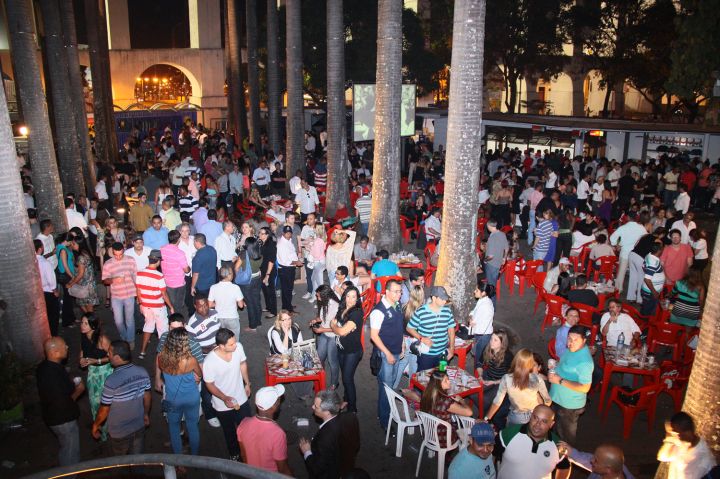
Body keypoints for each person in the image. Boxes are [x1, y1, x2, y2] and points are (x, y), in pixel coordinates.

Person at [92, 340, 152, 457]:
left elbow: (104, 409)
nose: (107, 355)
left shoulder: (112, 381)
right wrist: (145, 415)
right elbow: (147, 397)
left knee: (119, 463)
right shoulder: (143, 372)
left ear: (117, 357)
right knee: (137, 460)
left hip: (119, 432)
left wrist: (96, 425)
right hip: (138, 426)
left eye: (109, 353)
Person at [203, 328, 252, 461]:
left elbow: (242, 364)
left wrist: (247, 383)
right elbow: (209, 384)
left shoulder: (238, 347)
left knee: (247, 428)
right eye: (231, 344)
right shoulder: (209, 362)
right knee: (229, 431)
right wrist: (224, 398)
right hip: (222, 405)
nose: (235, 345)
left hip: (241, 398)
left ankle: (249, 452)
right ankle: (234, 454)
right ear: (221, 346)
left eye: (234, 342)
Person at [37, 337, 84, 467]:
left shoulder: (44, 367)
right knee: (70, 451)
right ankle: (69, 474)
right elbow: (64, 401)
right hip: (63, 420)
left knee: (66, 446)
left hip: (51, 415)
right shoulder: (53, 376)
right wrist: (79, 390)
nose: (67, 347)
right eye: (64, 346)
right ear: (54, 352)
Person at [157, 328, 202, 456]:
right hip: (191, 397)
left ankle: (178, 460)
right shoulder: (190, 360)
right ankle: (195, 457)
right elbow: (199, 374)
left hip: (172, 399)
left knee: (174, 428)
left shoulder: (161, 357)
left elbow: (162, 372)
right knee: (193, 426)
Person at [495, 404, 570, 479]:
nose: (538, 424)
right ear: (530, 417)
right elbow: (491, 455)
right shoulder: (508, 434)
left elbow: (564, 467)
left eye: (544, 421)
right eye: (535, 418)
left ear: (551, 424)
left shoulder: (558, 445)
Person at [299, 390, 361, 478]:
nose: (312, 407)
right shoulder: (351, 417)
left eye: (316, 406)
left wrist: (307, 452)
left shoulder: (324, 438)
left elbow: (317, 469)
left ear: (327, 412)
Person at [548, 325, 593, 443]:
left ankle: (566, 455)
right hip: (558, 399)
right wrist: (555, 366)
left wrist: (559, 381)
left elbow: (585, 387)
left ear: (584, 340)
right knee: (554, 431)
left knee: (565, 439)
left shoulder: (585, 362)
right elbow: (565, 364)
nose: (570, 343)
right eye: (569, 339)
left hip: (568, 406)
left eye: (575, 340)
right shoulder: (572, 349)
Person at [370, 278, 405, 429]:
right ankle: (386, 422)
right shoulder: (379, 311)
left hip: (396, 351)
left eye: (400, 291)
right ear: (387, 292)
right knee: (387, 390)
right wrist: (388, 353)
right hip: (386, 355)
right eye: (396, 292)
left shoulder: (397, 305)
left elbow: (399, 327)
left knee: (387, 385)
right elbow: (374, 336)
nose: (399, 294)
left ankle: (383, 413)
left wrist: (402, 343)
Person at [485, 349, 552, 426]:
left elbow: (497, 402)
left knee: (511, 432)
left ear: (515, 361)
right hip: (535, 415)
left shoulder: (506, 378)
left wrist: (486, 418)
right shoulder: (538, 379)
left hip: (517, 417)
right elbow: (548, 400)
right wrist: (540, 412)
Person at [236, 385, 293, 474]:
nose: (280, 400)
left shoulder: (243, 423)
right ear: (274, 406)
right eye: (278, 399)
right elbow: (282, 468)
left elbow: (243, 455)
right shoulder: (278, 434)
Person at [331, 286, 365, 413]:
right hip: (341, 349)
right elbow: (337, 326)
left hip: (353, 352)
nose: (350, 300)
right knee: (345, 376)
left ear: (357, 299)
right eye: (348, 296)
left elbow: (340, 330)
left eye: (353, 297)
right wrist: (338, 328)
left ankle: (352, 409)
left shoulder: (356, 313)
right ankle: (346, 399)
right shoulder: (342, 308)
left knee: (347, 379)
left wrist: (335, 327)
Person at [79, 314, 112, 440]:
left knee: (106, 403)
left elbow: (113, 356)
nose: (82, 326)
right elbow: (82, 350)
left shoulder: (102, 339)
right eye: (82, 323)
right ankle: (100, 429)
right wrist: (81, 359)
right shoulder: (83, 336)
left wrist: (96, 361)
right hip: (92, 373)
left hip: (105, 373)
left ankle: (112, 429)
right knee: (95, 403)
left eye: (85, 323)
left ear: (93, 326)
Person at [407, 286, 456, 371]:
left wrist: (451, 349)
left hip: (443, 353)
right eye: (442, 299)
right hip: (426, 355)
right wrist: (422, 338)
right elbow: (409, 328)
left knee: (441, 376)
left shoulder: (447, 311)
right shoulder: (421, 312)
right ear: (434, 298)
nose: (445, 301)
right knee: (424, 378)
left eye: (445, 298)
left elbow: (451, 330)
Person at [136, 249, 174, 359]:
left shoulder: (139, 273)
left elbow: (138, 291)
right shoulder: (159, 276)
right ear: (158, 261)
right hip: (158, 307)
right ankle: (164, 354)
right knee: (163, 330)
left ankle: (142, 351)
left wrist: (140, 304)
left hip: (145, 306)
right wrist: (171, 307)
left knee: (148, 326)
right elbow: (164, 294)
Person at [420, 370, 474, 446]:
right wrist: (461, 400)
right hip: (443, 438)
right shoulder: (446, 402)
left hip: (428, 432)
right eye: (445, 381)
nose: (449, 382)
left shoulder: (426, 393)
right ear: (438, 384)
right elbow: (469, 413)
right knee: (466, 425)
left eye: (448, 379)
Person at [657, 412, 716, 478]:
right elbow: (662, 456)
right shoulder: (679, 443)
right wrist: (669, 439)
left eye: (676, 432)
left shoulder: (702, 454)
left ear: (686, 432)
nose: (675, 435)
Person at [101, 242, 138, 347]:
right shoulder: (108, 263)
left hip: (130, 294)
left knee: (129, 319)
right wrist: (113, 280)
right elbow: (104, 280)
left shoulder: (130, 260)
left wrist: (138, 293)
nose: (118, 257)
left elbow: (135, 277)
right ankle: (124, 337)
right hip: (116, 296)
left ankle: (130, 340)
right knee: (118, 321)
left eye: (120, 254)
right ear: (113, 252)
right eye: (116, 255)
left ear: (123, 251)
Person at [310, 285, 340, 390]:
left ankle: (334, 383)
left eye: (319, 296)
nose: (318, 299)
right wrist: (316, 320)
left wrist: (322, 330)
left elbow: (338, 329)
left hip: (333, 336)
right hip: (324, 334)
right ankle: (320, 379)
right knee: (319, 358)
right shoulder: (324, 303)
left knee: (332, 361)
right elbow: (324, 318)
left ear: (325, 295)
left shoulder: (336, 306)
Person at [610, 213, 648, 294]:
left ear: (628, 217)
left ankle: (618, 290)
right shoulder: (642, 228)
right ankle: (634, 291)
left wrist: (616, 245)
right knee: (635, 274)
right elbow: (646, 239)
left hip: (625, 253)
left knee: (621, 273)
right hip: (637, 254)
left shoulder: (623, 227)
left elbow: (612, 238)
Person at [161, 230, 191, 318]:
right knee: (179, 305)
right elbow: (186, 270)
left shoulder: (162, 249)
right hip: (179, 283)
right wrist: (189, 267)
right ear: (179, 239)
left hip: (166, 282)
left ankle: (170, 321)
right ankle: (178, 321)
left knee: (170, 304)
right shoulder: (180, 253)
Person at [209, 266, 245, 339]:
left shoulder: (213, 287)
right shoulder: (235, 288)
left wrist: (218, 303)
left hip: (219, 317)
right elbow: (241, 305)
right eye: (232, 273)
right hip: (232, 317)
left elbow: (210, 304)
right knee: (234, 339)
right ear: (229, 275)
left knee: (222, 339)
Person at [66, 236, 100, 314]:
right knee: (87, 310)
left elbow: (80, 274)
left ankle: (92, 321)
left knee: (89, 312)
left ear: (79, 244)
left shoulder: (81, 257)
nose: (72, 245)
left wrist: (71, 284)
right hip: (89, 285)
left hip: (86, 287)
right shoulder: (86, 253)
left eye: (74, 244)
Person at [564, 443, 635, 479]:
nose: (591, 460)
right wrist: (572, 452)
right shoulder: (616, 465)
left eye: (596, 461)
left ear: (608, 469)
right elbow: (587, 459)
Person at [35, 239, 60, 335]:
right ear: (40, 249)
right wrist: (55, 291)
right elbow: (51, 280)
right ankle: (53, 335)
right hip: (48, 292)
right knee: (53, 315)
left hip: (38, 292)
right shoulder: (45, 263)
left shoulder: (32, 261)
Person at [277, 225, 304, 312]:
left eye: (290, 233)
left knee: (289, 289)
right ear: (283, 233)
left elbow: (292, 254)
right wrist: (297, 263)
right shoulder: (281, 244)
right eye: (287, 233)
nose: (288, 234)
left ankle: (288, 306)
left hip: (290, 268)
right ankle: (287, 309)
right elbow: (285, 261)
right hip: (285, 269)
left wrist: (297, 260)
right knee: (286, 290)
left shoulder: (289, 241)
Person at [469, 283, 496, 365]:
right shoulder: (483, 300)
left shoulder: (486, 306)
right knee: (478, 358)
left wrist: (472, 322)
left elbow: (478, 326)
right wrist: (471, 317)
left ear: (483, 293)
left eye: (477, 290)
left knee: (478, 361)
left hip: (482, 336)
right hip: (481, 334)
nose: (474, 291)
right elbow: (473, 312)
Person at [485, 219, 509, 300]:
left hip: (491, 264)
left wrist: (485, 261)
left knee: (491, 287)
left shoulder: (492, 238)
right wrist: (504, 258)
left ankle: (491, 304)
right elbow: (506, 248)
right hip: (498, 264)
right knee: (493, 285)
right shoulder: (502, 234)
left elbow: (491, 256)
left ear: (489, 226)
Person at [640, 242, 665, 316]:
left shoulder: (649, 255)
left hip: (648, 290)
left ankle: (642, 320)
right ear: (659, 251)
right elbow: (647, 279)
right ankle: (644, 322)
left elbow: (643, 266)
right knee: (648, 312)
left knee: (645, 308)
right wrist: (654, 292)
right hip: (650, 292)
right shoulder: (653, 263)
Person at [258, 227, 278, 318]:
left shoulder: (271, 244)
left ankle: (273, 311)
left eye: (262, 233)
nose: (260, 235)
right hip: (263, 269)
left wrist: (267, 275)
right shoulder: (262, 243)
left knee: (271, 291)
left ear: (267, 235)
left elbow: (271, 261)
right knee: (265, 289)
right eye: (259, 233)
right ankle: (268, 307)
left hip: (269, 270)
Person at [191, 233, 217, 298]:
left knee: (201, 303)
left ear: (197, 242)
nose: (193, 243)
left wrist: (192, 287)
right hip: (212, 283)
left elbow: (195, 274)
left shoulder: (198, 257)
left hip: (201, 286)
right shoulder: (212, 249)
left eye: (194, 241)